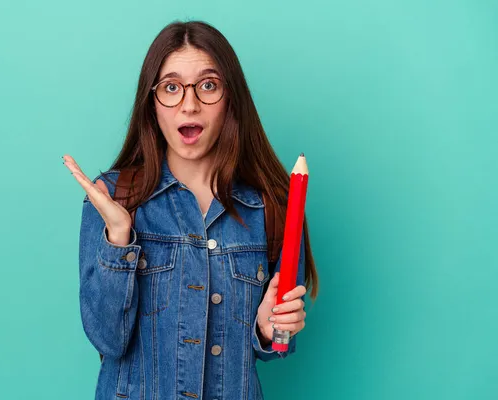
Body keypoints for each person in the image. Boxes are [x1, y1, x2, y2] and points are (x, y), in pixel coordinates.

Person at [63, 20, 319, 400]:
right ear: (152, 105)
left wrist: (269, 329)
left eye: (208, 85)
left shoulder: (270, 207)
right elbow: (107, 340)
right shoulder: (113, 200)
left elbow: (275, 342)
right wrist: (119, 239)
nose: (189, 103)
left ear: (231, 99)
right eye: (171, 87)